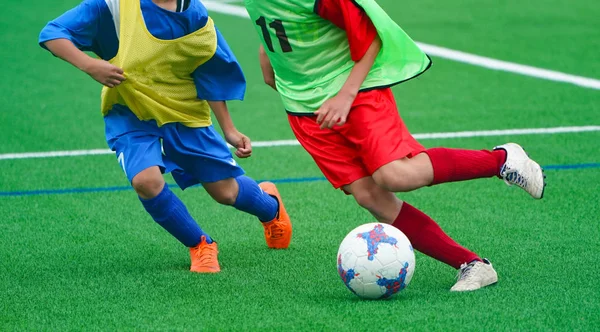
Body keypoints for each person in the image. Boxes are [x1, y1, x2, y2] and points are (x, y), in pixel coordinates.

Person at [245, 0, 546, 291]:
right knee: (370, 196)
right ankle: (472, 264)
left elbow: (371, 36)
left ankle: (502, 160)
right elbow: (277, 20)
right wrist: (268, 54)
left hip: (355, 91)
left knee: (394, 175)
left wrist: (346, 96)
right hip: (304, 110)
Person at [39, 0, 293, 273]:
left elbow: (210, 74)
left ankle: (270, 208)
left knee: (225, 192)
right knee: (146, 181)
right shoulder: (113, 6)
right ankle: (201, 244)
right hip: (129, 109)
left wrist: (229, 129)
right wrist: (90, 65)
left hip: (183, 111)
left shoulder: (194, 15)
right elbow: (52, 33)